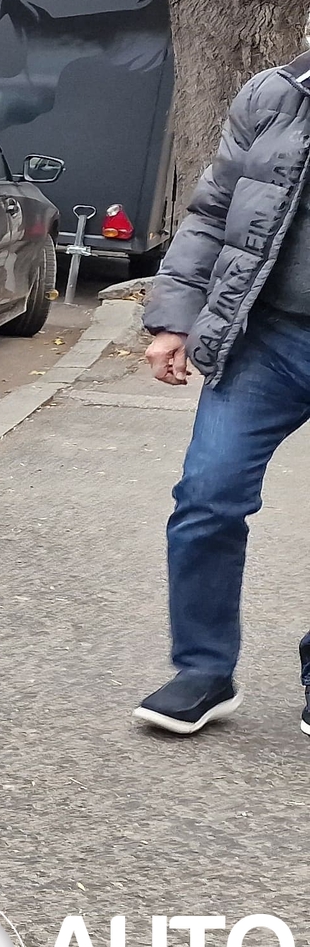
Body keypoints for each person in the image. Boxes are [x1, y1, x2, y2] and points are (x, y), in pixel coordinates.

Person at [137, 49, 310, 735]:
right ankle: (203, 670)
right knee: (208, 495)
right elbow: (211, 213)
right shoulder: (276, 94)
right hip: (266, 335)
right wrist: (172, 320)